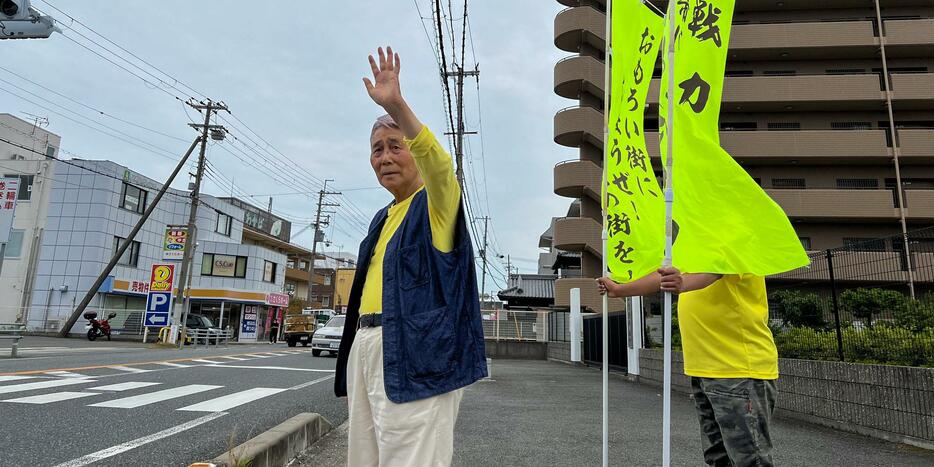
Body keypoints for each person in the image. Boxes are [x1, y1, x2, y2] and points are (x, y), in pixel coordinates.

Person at [334, 46, 487, 467]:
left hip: (418, 351)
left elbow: (440, 167)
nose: (384, 157)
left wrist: (397, 105)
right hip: (366, 347)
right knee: (363, 458)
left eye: (395, 146)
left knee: (411, 459)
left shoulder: (436, 202)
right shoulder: (382, 217)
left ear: (414, 152)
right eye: (376, 149)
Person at [597, 268, 778, 467]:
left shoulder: (732, 239)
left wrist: (682, 283)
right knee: (718, 457)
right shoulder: (696, 248)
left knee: (750, 460)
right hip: (705, 369)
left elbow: (715, 270)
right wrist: (619, 290)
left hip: (739, 371)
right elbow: (663, 275)